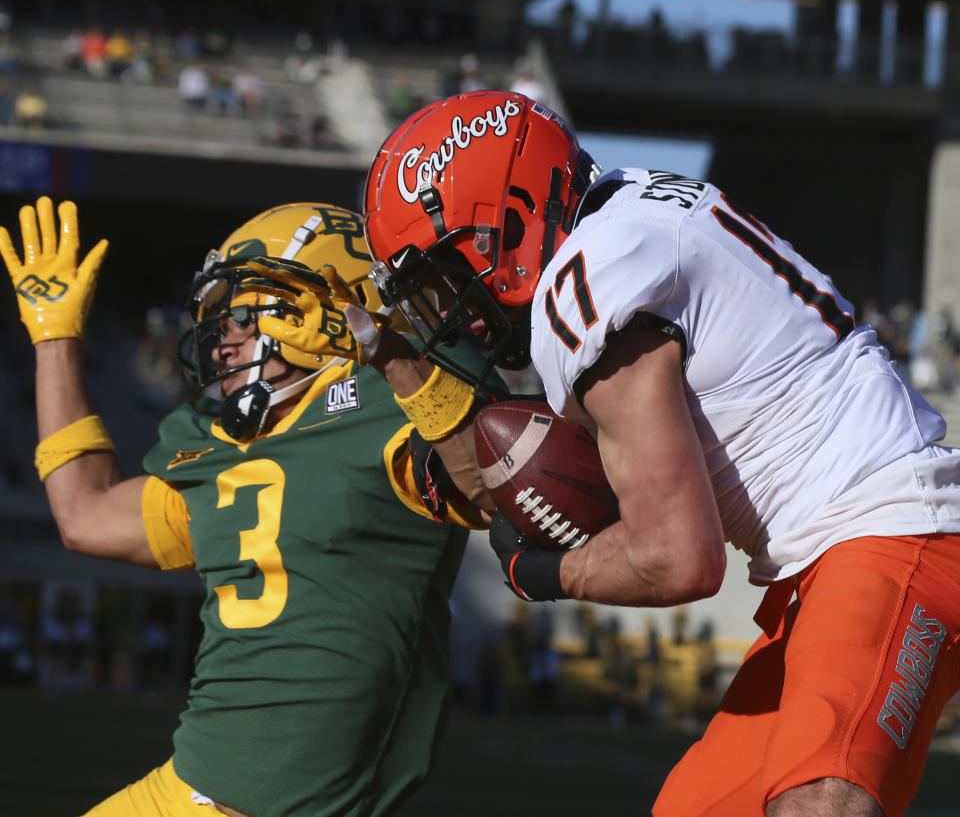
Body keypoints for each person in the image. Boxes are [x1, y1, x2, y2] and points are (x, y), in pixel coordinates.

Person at [358, 90, 960, 817]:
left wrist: (542, 571)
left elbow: (679, 556)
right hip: (829, 559)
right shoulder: (630, 212)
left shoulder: (591, 277)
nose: (456, 308)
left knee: (819, 801)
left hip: (891, 534)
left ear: (508, 223)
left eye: (452, 276)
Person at [0, 197, 500, 817]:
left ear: (323, 303)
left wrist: (388, 353)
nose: (221, 345)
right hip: (185, 790)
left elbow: (492, 492)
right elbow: (85, 514)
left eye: (242, 317)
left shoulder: (394, 400)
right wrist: (55, 339)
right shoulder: (222, 440)